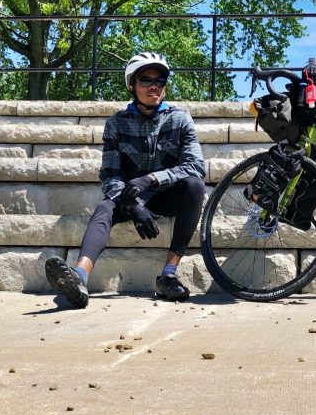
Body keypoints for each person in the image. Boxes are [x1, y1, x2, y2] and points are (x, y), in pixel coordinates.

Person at [45, 52, 206, 308]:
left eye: (160, 81)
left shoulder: (180, 118)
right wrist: (133, 206)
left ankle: (168, 275)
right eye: (146, 80)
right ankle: (79, 277)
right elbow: (110, 176)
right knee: (104, 208)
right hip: (128, 198)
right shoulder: (116, 123)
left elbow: (195, 166)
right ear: (132, 85)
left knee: (195, 186)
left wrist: (150, 179)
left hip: (166, 196)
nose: (154, 86)